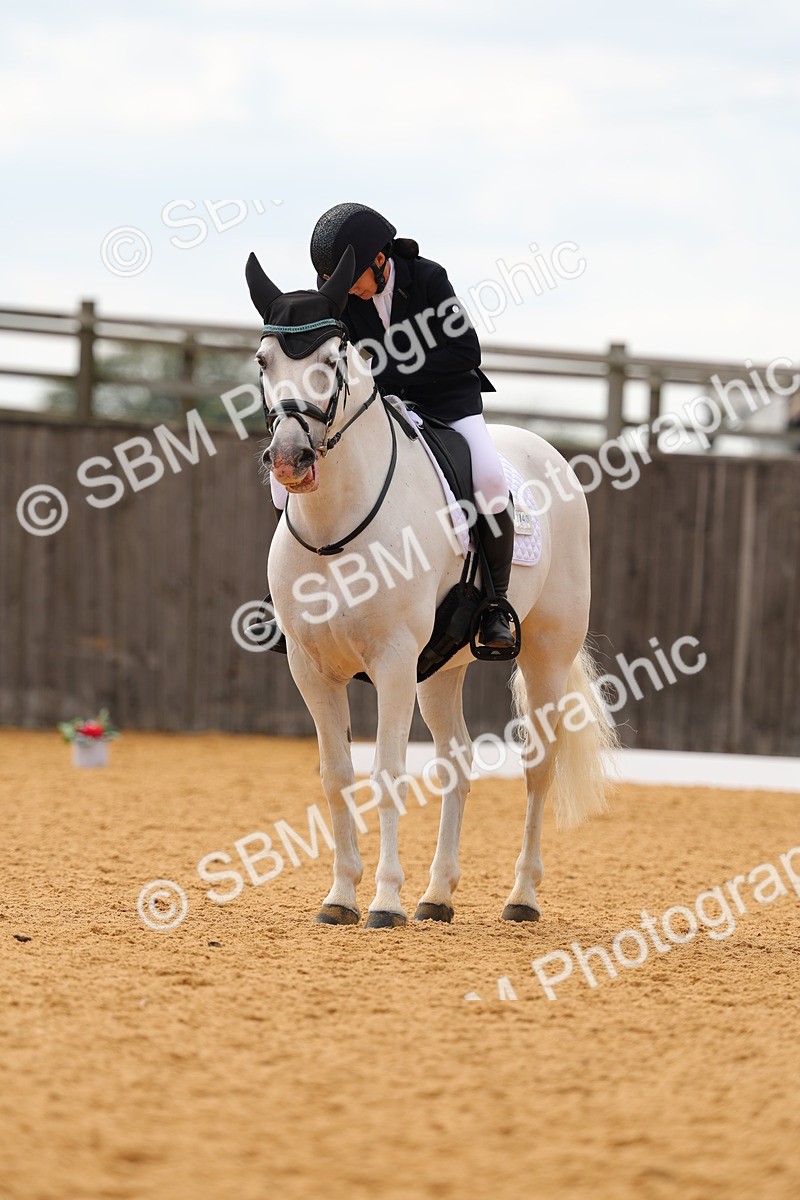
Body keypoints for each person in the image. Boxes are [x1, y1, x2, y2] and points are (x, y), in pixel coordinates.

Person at [268, 201, 516, 650]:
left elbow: (466, 352)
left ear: (380, 260)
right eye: (328, 280)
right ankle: (284, 596)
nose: (340, 289)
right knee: (282, 483)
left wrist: (386, 373)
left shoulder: (428, 279)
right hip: (381, 407)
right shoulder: (344, 296)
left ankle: (497, 605)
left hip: (449, 404)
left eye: (346, 278)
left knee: (491, 478)